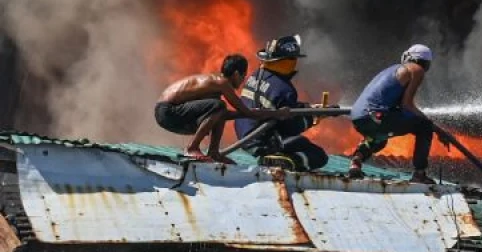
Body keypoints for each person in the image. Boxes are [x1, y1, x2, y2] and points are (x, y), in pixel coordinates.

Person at [155, 54, 285, 163]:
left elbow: (224, 115)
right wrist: (277, 113)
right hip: (167, 111)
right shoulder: (221, 83)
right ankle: (192, 148)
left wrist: (264, 114)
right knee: (219, 105)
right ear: (235, 74)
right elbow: (246, 111)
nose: (242, 81)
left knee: (219, 108)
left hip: (169, 114)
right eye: (243, 76)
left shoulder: (215, 85)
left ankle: (213, 152)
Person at [233, 35, 329, 172]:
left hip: (244, 136)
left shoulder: (256, 75)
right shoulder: (285, 89)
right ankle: (285, 162)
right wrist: (311, 118)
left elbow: (277, 105)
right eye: (293, 58)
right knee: (318, 155)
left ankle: (275, 157)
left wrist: (308, 108)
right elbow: (289, 127)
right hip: (263, 140)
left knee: (299, 142)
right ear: (287, 61)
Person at [348, 44, 441, 183]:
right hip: (376, 117)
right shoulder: (416, 69)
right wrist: (432, 125)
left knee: (379, 138)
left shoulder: (392, 69)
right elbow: (407, 105)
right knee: (424, 126)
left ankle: (356, 162)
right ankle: (419, 174)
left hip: (358, 117)